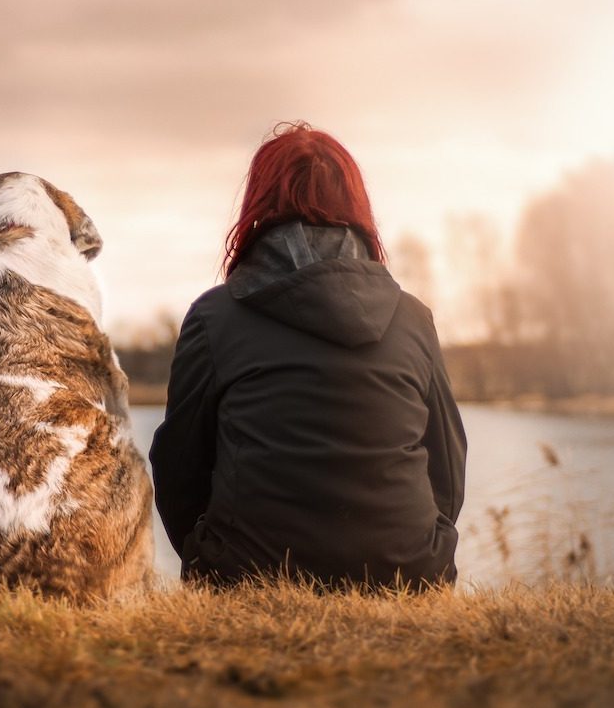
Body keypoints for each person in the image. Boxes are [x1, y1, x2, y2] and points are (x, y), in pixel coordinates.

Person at [148, 122, 467, 590]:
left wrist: (207, 554)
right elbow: (448, 464)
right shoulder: (413, 318)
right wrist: (424, 548)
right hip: (407, 575)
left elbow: (178, 466)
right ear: (356, 206)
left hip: (249, 575)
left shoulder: (215, 317)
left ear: (258, 205)